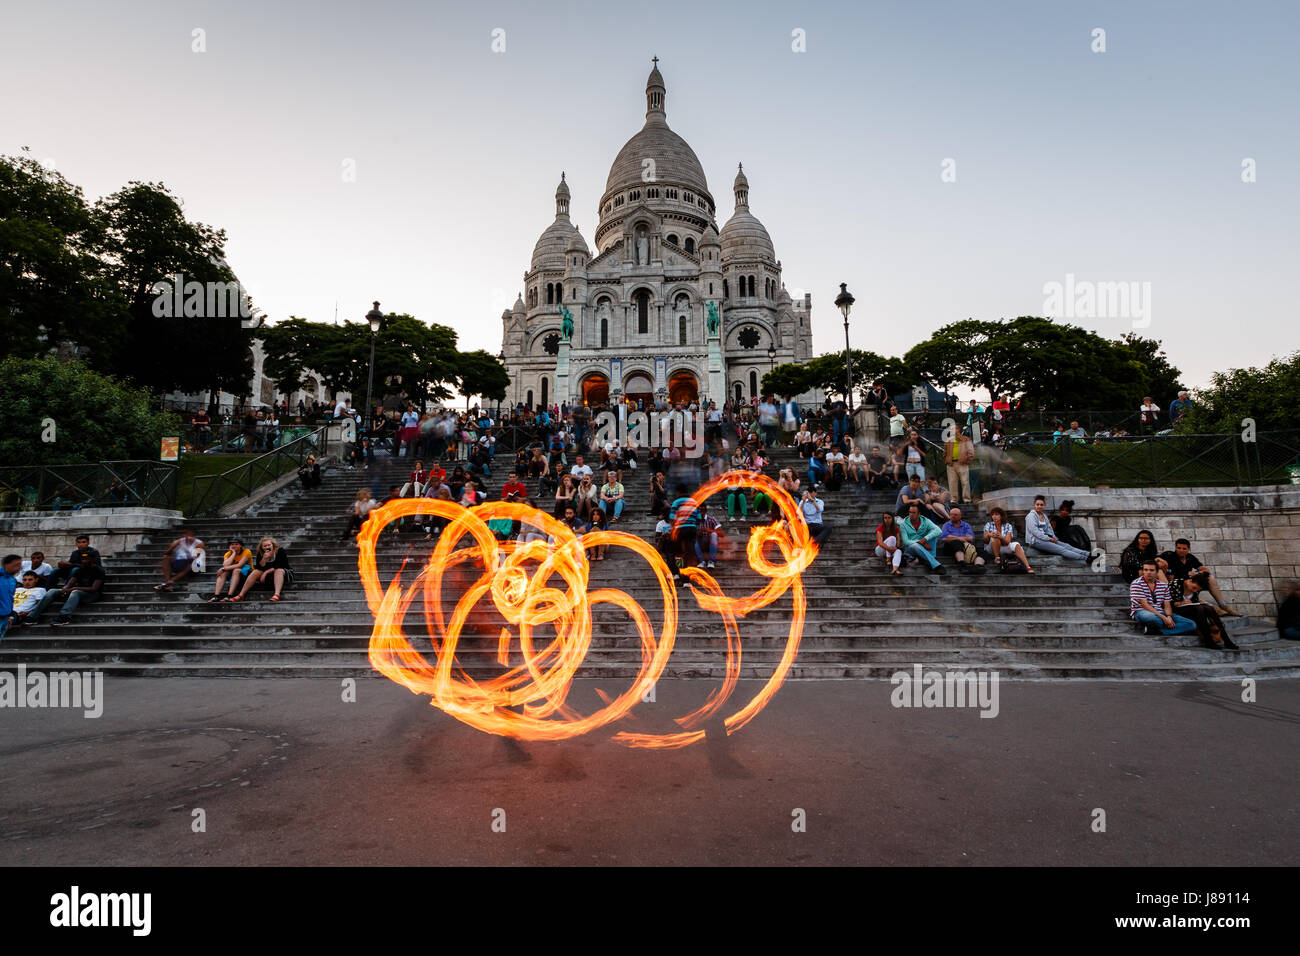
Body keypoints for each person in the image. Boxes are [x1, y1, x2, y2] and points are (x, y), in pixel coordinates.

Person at [1158, 538, 1240, 614]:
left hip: (1189, 584)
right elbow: (1170, 578)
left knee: (1210, 578)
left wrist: (1197, 572)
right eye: (1178, 548)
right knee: (1193, 594)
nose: (1181, 550)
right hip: (1176, 586)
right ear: (1175, 548)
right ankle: (1213, 609)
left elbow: (1205, 570)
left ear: (1189, 549)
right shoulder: (1169, 555)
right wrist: (1186, 574)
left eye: (1184, 549)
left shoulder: (1190, 557)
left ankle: (1222, 605)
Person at [26, 550, 106, 626]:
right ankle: (32, 616)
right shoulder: (80, 570)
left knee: (76, 592)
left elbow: (94, 589)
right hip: (79, 593)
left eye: (86, 559)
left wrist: (75, 588)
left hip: (93, 595)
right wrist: (65, 588)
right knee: (52, 591)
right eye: (82, 559)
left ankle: (64, 616)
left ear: (92, 559)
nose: (84, 561)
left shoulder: (98, 570)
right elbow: (70, 583)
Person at [1130, 559, 1197, 635]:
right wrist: (1164, 618)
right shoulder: (1136, 584)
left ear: (1157, 572)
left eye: (1151, 570)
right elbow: (1145, 605)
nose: (1148, 572)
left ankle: (1156, 631)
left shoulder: (1163, 585)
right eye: (1145, 570)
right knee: (1153, 618)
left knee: (1191, 624)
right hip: (1141, 611)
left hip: (1160, 612)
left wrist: (1168, 616)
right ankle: (1171, 629)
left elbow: (1167, 605)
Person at [1025, 495, 1099, 563]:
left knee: (1067, 546)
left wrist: (1054, 538)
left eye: (1041, 505)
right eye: (1037, 504)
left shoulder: (1044, 516)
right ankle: (1086, 558)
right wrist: (1049, 539)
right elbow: (1035, 531)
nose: (1039, 506)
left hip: (1046, 538)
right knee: (1062, 549)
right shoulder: (1031, 516)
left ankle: (1088, 554)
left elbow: (1049, 529)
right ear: (1034, 505)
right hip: (1035, 541)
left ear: (1044, 506)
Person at [1175, 573, 1239, 650]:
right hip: (1178, 610)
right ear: (1190, 581)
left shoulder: (1196, 589)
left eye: (1197, 590)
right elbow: (1168, 603)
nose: (1195, 591)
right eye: (1194, 588)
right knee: (1200, 608)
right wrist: (1181, 603)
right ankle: (1208, 640)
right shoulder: (1175, 584)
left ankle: (1226, 640)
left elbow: (1194, 600)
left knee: (1209, 608)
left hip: (1193, 609)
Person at [231, 537, 294, 602]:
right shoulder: (260, 553)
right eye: (265, 546)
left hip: (282, 573)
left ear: (273, 545)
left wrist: (265, 572)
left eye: (269, 545)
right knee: (256, 572)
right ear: (262, 547)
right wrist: (264, 558)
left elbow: (281, 565)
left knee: (278, 570)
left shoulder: (280, 551)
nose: (267, 547)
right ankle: (241, 594)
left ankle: (277, 594)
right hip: (269, 576)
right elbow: (259, 567)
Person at [983, 506, 1033, 572]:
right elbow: (985, 540)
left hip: (1004, 547)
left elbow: (1007, 542)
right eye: (992, 514)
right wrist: (990, 534)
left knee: (1016, 544)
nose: (994, 516)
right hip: (991, 548)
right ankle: (997, 558)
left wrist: (1001, 537)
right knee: (994, 537)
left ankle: (1028, 567)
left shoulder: (1008, 526)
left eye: (996, 514)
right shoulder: (988, 524)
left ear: (1001, 516)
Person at [898, 502, 944, 573]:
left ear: (919, 514)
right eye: (910, 512)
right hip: (909, 549)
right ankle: (936, 565)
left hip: (923, 548)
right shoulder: (903, 524)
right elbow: (906, 541)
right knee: (915, 545)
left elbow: (938, 530)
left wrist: (925, 539)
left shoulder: (925, 521)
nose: (911, 514)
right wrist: (922, 542)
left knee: (933, 534)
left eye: (914, 513)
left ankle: (926, 559)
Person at [208, 537, 254, 602]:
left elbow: (239, 565)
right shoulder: (228, 554)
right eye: (232, 544)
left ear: (241, 545)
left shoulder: (246, 551)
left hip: (247, 575)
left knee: (236, 570)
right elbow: (225, 565)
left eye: (236, 544)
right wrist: (233, 553)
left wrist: (223, 568)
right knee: (223, 572)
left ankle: (229, 596)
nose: (234, 546)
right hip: (234, 575)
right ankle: (216, 596)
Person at [939, 506, 984, 571]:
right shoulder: (946, 525)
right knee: (957, 542)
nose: (953, 516)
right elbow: (944, 539)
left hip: (966, 547)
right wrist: (959, 539)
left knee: (983, 552)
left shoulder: (966, 525)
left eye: (955, 515)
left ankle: (977, 567)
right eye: (951, 514)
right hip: (949, 548)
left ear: (960, 516)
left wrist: (952, 537)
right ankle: (962, 565)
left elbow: (971, 538)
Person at [942, 428, 975, 504]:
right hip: (951, 464)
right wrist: (946, 460)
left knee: (965, 482)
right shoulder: (949, 440)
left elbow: (971, 451)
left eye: (954, 429)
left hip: (962, 463)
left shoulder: (965, 439)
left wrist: (967, 461)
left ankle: (967, 499)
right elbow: (945, 452)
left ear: (958, 430)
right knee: (952, 483)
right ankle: (954, 500)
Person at [695, 503, 721, 569]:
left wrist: (708, 530)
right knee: (693, 537)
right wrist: (697, 533)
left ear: (706, 511)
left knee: (714, 534)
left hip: (710, 543)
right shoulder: (694, 520)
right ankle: (701, 561)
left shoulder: (711, 519)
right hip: (699, 543)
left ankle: (711, 561)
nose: (701, 513)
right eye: (699, 511)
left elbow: (721, 533)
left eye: (703, 511)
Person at [0, 554, 20, 639]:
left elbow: (10, 599)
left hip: (5, 617)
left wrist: (10, 616)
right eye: (16, 565)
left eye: (20, 565)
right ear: (6, 564)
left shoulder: (13, 580)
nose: (18, 568)